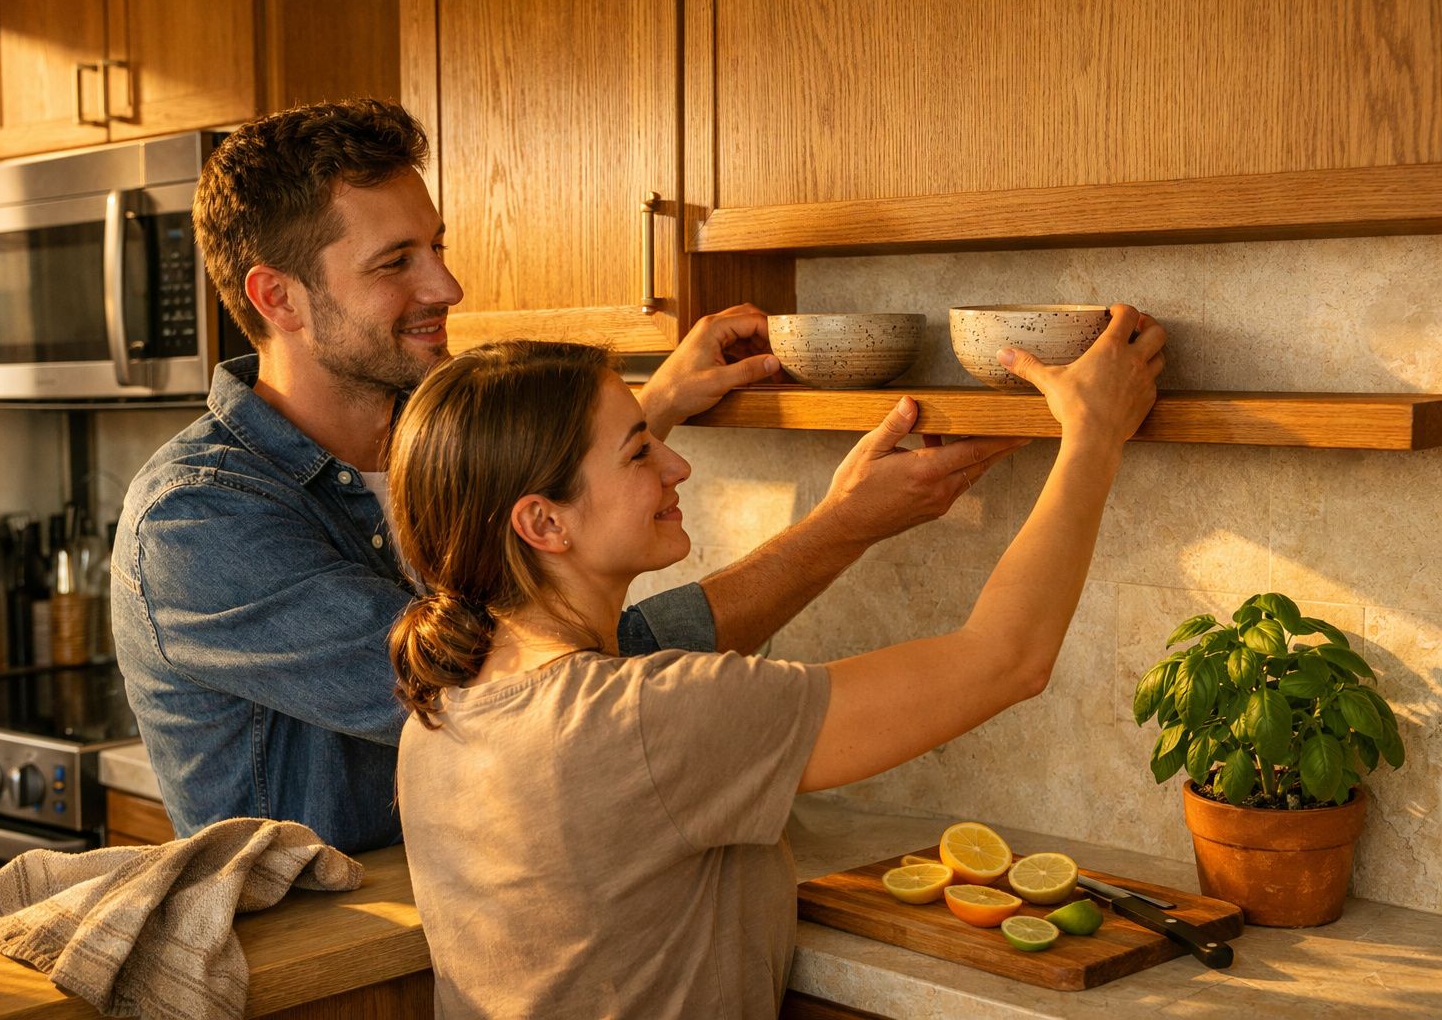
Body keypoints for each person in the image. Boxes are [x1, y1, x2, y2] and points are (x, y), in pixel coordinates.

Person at [112, 99, 1025, 853]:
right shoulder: (198, 523)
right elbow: (517, 694)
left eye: (436, 246)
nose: (446, 288)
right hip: (335, 966)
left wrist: (641, 413)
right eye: (396, 263)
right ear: (277, 297)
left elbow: (523, 539)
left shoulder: (426, 439)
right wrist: (842, 526)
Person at [387, 310, 1164, 1018]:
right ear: (543, 522)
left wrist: (843, 522)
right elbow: (1003, 660)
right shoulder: (645, 718)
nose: (677, 466)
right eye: (639, 451)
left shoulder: (441, 710)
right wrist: (1093, 436)